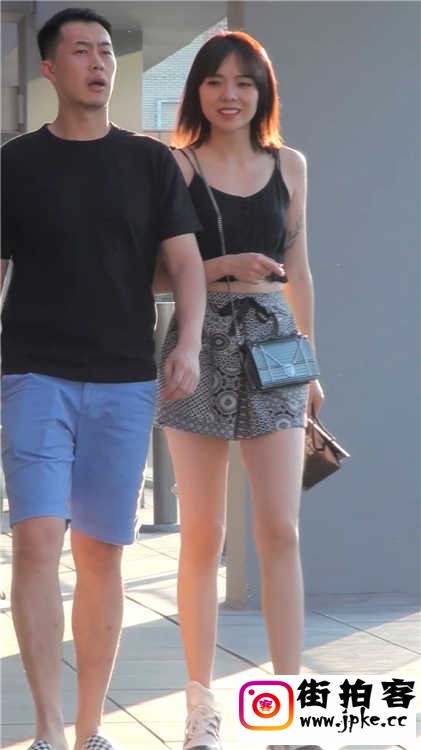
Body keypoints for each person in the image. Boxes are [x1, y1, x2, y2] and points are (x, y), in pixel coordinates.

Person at [1, 8, 206, 750]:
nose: (98, 63)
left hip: (123, 378)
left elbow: (184, 264)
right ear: (49, 69)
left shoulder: (150, 162)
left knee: (100, 554)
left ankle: (90, 728)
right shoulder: (15, 163)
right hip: (33, 374)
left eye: (106, 52)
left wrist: (188, 343)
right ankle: (49, 730)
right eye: (81, 51)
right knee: (36, 540)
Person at [155, 31, 325, 750]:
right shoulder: (176, 165)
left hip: (277, 345)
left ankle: (284, 713)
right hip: (199, 344)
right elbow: (155, 274)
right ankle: (200, 710)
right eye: (216, 81)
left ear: (263, 92)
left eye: (244, 83)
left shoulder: (290, 164)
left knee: (280, 528)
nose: (230, 95)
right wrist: (221, 264)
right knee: (203, 534)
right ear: (197, 90)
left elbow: (300, 271)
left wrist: (312, 366)